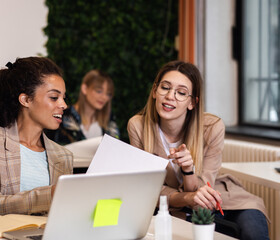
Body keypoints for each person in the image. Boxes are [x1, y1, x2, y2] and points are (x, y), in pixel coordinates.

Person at [127, 60, 269, 240]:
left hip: (221, 198)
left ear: (192, 103)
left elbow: (205, 188)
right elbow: (146, 189)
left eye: (181, 93)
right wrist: (187, 198)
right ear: (155, 91)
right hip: (172, 207)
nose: (170, 96)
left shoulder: (212, 127)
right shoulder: (138, 127)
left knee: (254, 232)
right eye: (165, 88)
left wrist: (189, 171)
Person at [0, 57, 73, 219]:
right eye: (54, 97)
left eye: (63, 98)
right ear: (25, 100)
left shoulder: (63, 155)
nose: (64, 105)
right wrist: (49, 195)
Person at [47, 69, 119, 144]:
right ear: (84, 89)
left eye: (108, 94)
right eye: (99, 91)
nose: (104, 97)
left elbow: (115, 147)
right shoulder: (63, 116)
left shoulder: (109, 119)